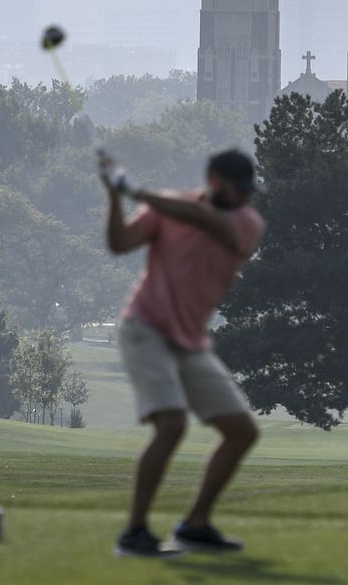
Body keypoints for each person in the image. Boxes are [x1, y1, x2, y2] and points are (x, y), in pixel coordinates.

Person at [100, 146, 266, 558]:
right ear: (214, 182)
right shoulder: (168, 207)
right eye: (237, 189)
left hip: (189, 341)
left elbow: (206, 222)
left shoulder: (246, 223)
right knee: (171, 425)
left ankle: (195, 527)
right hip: (146, 329)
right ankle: (134, 533)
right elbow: (120, 243)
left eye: (249, 190)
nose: (245, 198)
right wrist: (115, 196)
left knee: (242, 432)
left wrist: (137, 191)